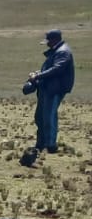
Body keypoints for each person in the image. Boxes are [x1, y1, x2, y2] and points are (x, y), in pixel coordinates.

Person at [25, 28, 74, 157]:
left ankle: (50, 145)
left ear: (55, 40)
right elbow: (50, 68)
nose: (47, 44)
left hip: (54, 89)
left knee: (49, 117)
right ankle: (41, 143)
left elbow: (57, 69)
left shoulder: (63, 52)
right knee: (40, 116)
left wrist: (38, 76)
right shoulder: (57, 51)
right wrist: (38, 74)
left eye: (48, 41)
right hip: (47, 87)